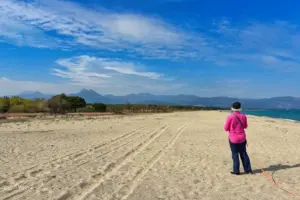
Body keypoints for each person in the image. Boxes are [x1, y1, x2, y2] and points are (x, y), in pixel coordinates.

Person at [224, 102, 253, 175]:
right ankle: (248, 170)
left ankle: (236, 171)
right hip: (242, 138)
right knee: (244, 153)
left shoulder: (230, 116)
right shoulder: (243, 116)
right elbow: (245, 126)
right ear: (240, 108)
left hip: (233, 138)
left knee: (235, 154)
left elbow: (226, 128)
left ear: (232, 108)